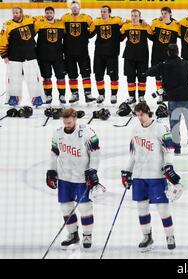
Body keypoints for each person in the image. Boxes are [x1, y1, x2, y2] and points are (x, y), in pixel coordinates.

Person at [121, 102, 180, 251]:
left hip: (156, 175)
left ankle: (170, 235)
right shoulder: (134, 129)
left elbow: (169, 150)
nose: (140, 118)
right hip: (139, 176)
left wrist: (169, 166)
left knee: (163, 208)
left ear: (148, 113)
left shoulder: (160, 127)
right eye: (137, 115)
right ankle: (147, 236)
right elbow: (133, 154)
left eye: (142, 114)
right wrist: (127, 171)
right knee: (142, 208)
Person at [46, 108, 100, 249]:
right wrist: (51, 171)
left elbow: (95, 153)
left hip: (81, 178)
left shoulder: (87, 132)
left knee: (85, 207)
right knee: (65, 207)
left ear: (75, 118)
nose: (67, 125)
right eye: (65, 122)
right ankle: (72, 234)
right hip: (64, 177)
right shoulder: (58, 133)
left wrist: (93, 171)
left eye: (69, 122)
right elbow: (54, 153)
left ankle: (87, 235)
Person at [146, 44, 188, 155]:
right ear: (178, 52)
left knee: (175, 125)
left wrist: (145, 71)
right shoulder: (186, 63)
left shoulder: (164, 65)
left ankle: (177, 149)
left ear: (168, 53)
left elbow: (150, 72)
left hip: (173, 100)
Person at [0, 6, 44, 107]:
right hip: (14, 56)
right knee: (14, 78)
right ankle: (13, 97)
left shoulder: (29, 19)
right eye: (14, 13)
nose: (15, 14)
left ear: (21, 13)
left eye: (17, 12)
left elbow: (39, 23)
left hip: (30, 55)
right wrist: (4, 55)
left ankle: (36, 97)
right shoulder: (7, 25)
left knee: (33, 77)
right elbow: (2, 40)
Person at [61, 1, 95, 104]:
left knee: (86, 73)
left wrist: (87, 36)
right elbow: (61, 31)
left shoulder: (86, 18)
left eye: (76, 7)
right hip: (69, 51)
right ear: (70, 8)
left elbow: (94, 28)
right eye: (73, 7)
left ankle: (88, 94)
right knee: (72, 74)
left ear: (79, 8)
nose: (75, 9)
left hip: (82, 51)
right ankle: (74, 94)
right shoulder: (65, 18)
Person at [89, 5, 123, 105]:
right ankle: (101, 94)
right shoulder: (96, 22)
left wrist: (142, 21)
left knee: (113, 75)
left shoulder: (117, 21)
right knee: (98, 75)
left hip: (112, 53)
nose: (103, 13)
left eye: (105, 12)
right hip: (99, 53)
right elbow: (89, 34)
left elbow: (131, 22)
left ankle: (113, 94)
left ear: (109, 13)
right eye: (102, 12)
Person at [34, 6, 66, 105]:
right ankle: (48, 95)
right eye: (47, 13)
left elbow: (68, 38)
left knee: (61, 76)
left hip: (58, 56)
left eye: (50, 13)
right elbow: (30, 37)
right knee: (46, 77)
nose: (49, 14)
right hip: (43, 56)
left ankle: (62, 95)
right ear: (45, 14)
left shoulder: (60, 24)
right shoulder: (39, 24)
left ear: (54, 13)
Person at [120, 9, 151, 105]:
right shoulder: (126, 26)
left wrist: (147, 24)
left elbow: (152, 36)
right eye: (132, 15)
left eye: (136, 16)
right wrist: (121, 24)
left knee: (142, 77)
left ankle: (141, 97)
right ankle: (132, 97)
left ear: (140, 17)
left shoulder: (145, 26)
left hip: (142, 56)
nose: (134, 17)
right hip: (129, 55)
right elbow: (120, 38)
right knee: (130, 77)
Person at [149, 7, 180, 104]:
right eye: (162, 13)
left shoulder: (176, 25)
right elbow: (151, 36)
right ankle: (160, 95)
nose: (163, 15)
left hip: (169, 56)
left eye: (165, 13)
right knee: (158, 76)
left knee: (169, 76)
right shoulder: (156, 23)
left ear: (170, 14)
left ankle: (168, 94)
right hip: (156, 54)